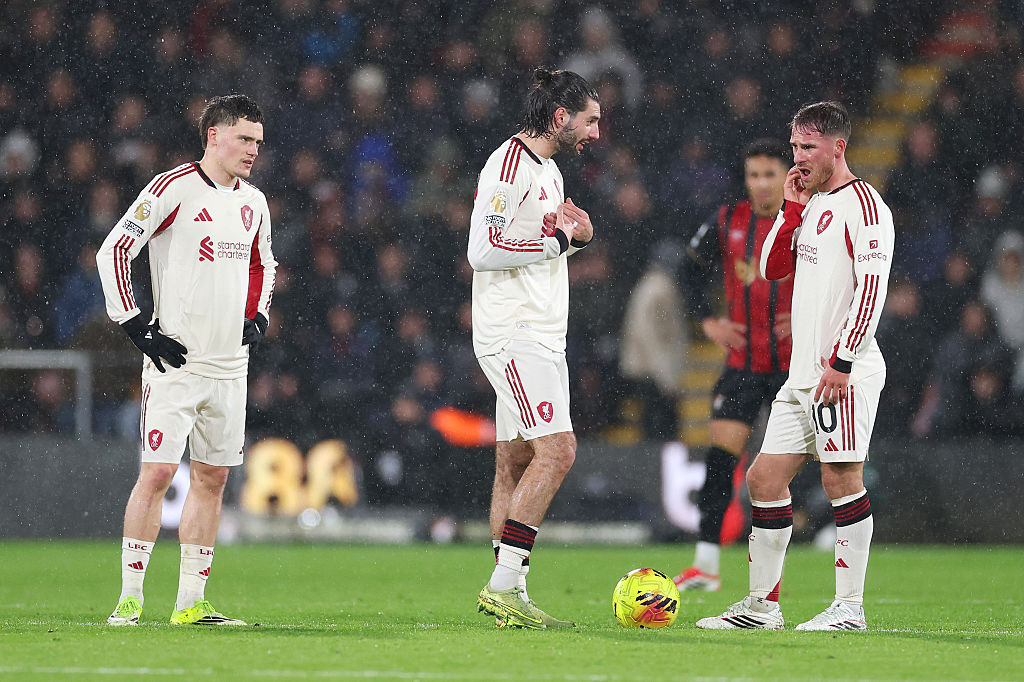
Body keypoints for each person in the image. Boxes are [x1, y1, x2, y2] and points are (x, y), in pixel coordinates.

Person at [697, 101, 893, 631]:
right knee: (763, 478)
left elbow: (872, 290)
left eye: (808, 148)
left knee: (840, 478)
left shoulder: (864, 207)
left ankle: (849, 609)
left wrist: (844, 359)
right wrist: (788, 209)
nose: (798, 159)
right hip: (801, 377)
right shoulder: (808, 205)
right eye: (795, 149)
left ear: (839, 147)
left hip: (841, 373)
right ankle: (764, 607)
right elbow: (772, 268)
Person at [97, 94, 276, 627]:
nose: (252, 151)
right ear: (214, 135)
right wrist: (134, 324)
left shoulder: (255, 202)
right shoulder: (171, 188)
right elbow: (115, 250)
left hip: (230, 366)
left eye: (258, 143)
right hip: (176, 363)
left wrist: (258, 316)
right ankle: (130, 598)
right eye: (244, 139)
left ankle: (190, 603)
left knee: (213, 479)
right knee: (155, 475)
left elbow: (263, 264)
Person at [468, 67, 599, 629]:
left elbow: (539, 248)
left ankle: (511, 590)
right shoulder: (509, 163)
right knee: (559, 451)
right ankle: (502, 586)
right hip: (514, 332)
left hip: (543, 329)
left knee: (515, 460)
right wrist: (559, 240)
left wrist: (574, 241)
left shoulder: (548, 169)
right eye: (591, 121)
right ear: (561, 117)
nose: (596, 133)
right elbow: (483, 247)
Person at [673, 138, 793, 592]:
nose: (762, 184)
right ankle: (706, 565)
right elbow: (685, 270)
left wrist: (808, 321)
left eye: (769, 174)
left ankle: (827, 549)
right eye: (754, 175)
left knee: (807, 467)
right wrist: (708, 322)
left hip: (793, 368)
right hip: (743, 363)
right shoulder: (728, 221)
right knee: (721, 461)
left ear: (787, 175)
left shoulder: (806, 222)